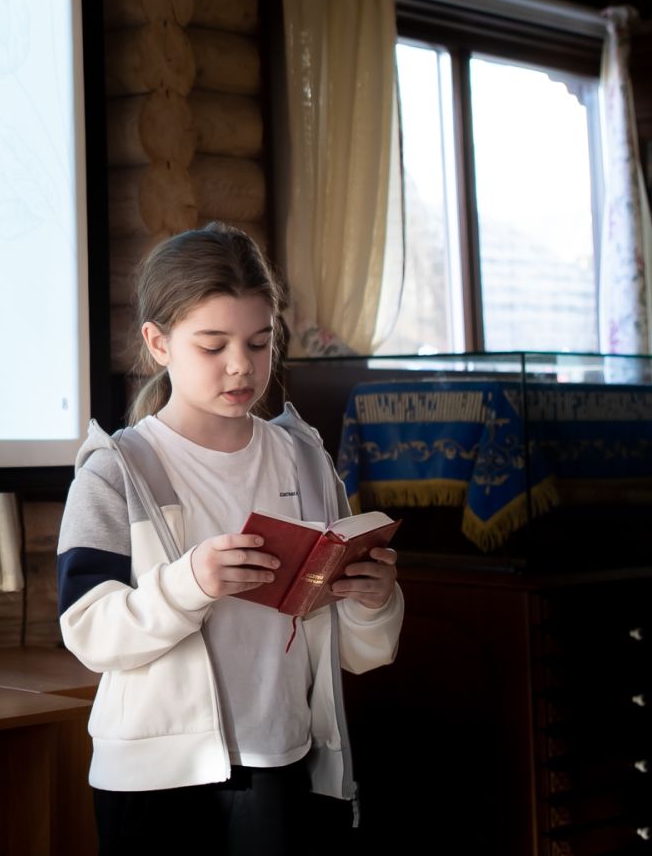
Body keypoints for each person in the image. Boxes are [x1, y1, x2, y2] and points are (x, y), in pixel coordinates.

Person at [57, 222, 403, 855]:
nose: (241, 365)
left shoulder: (305, 460)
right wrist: (190, 583)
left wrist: (374, 601)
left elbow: (355, 653)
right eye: (212, 345)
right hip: (154, 781)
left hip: (284, 757)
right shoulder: (117, 469)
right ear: (158, 343)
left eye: (259, 342)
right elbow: (89, 633)